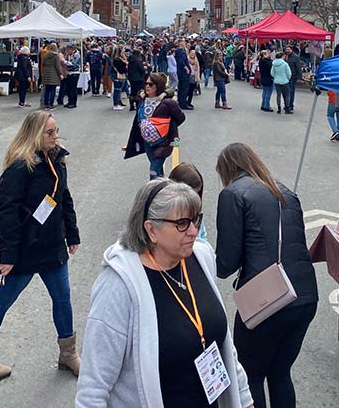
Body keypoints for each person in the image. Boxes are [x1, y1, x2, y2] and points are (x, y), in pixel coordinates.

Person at [75, 179, 254, 408]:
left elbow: (223, 344)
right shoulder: (118, 286)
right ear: (151, 230)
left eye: (195, 219)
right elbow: (93, 387)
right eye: (181, 223)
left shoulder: (201, 256)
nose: (193, 231)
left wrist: (245, 399)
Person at [0, 110, 80, 379]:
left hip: (52, 246)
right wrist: (8, 254)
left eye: (56, 131)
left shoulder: (57, 160)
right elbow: (7, 213)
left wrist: (72, 234)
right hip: (24, 250)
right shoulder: (20, 167)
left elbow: (63, 197)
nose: (55, 137)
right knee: (3, 302)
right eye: (49, 133)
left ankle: (69, 354)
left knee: (62, 300)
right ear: (34, 134)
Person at [215, 143, 318, 408]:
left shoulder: (233, 193)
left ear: (228, 169)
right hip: (305, 295)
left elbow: (226, 264)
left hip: (268, 298)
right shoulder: (284, 191)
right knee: (280, 372)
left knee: (252, 374)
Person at [125, 72, 185, 179]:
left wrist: (165, 128)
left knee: (153, 170)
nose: (147, 86)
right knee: (157, 168)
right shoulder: (142, 100)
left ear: (158, 86)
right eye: (146, 84)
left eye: (151, 84)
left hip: (164, 142)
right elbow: (137, 122)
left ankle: (153, 192)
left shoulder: (167, 103)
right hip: (148, 142)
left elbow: (180, 118)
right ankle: (162, 187)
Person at [169, 162, 209, 241]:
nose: (193, 231)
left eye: (198, 193)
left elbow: (203, 238)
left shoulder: (197, 217)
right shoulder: (166, 217)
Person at [63, 45, 81, 109]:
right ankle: (69, 101)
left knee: (73, 88)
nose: (67, 51)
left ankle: (73, 103)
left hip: (75, 73)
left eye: (68, 50)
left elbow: (73, 64)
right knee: (68, 88)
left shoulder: (77, 55)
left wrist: (65, 62)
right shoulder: (68, 55)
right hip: (68, 73)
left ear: (72, 49)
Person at [284, 47, 302, 112]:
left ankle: (290, 105)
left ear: (291, 50)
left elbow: (298, 67)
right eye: (287, 49)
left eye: (289, 49)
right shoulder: (285, 56)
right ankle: (286, 104)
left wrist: (299, 77)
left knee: (291, 91)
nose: (287, 51)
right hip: (286, 76)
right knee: (286, 91)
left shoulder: (295, 57)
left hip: (292, 76)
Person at [175, 39, 190, 110]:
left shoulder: (177, 51)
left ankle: (180, 102)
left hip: (179, 72)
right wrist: (186, 68)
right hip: (183, 72)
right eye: (184, 43)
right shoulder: (182, 52)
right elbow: (182, 61)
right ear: (181, 44)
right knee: (184, 88)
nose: (185, 44)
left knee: (180, 88)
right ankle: (183, 103)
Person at [112, 47, 128, 111]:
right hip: (118, 76)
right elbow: (122, 69)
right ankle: (116, 104)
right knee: (117, 90)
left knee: (119, 90)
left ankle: (118, 102)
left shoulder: (118, 59)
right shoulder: (117, 60)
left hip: (119, 75)